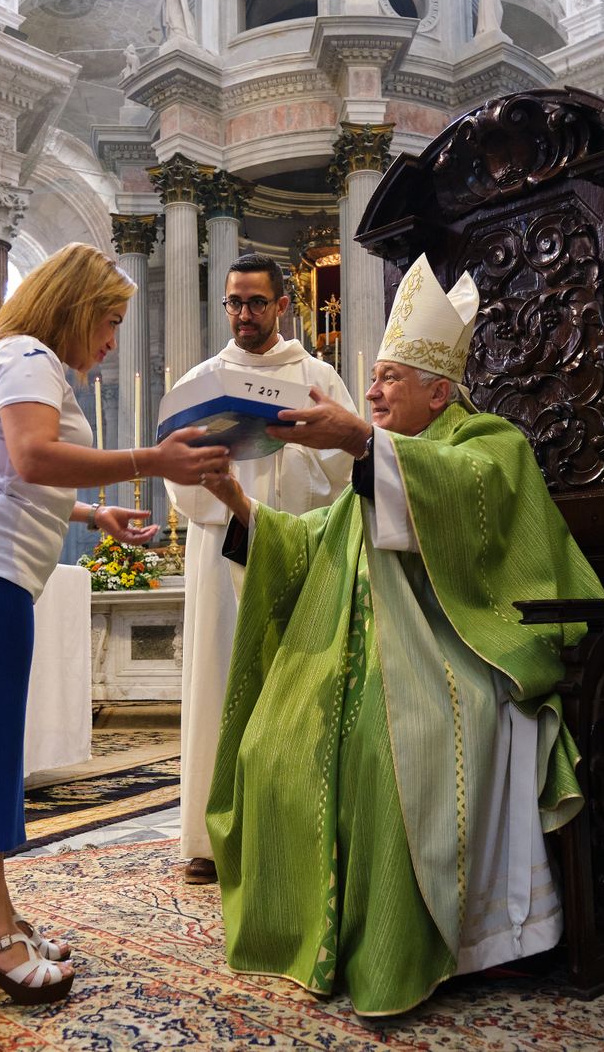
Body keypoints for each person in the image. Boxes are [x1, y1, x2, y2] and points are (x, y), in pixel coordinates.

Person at [200, 253, 604, 1016]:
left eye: (389, 377)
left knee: (391, 750)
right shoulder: (379, 461)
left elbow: (470, 505)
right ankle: (318, 937)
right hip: (364, 655)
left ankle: (446, 941)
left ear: (439, 391)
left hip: (465, 656)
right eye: (374, 378)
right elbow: (313, 539)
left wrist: (362, 442)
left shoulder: (488, 444)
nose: (375, 389)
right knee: (270, 745)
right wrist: (236, 501)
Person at [0, 242, 228, 1006]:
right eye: (108, 320)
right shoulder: (28, 356)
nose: (111, 338)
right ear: (73, 307)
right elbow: (30, 457)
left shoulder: (17, 357)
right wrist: (153, 460)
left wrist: (90, 511)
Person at [163, 252, 354, 886]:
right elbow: (176, 478)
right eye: (234, 303)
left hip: (295, 550)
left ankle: (294, 831)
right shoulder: (201, 382)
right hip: (221, 551)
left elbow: (349, 472)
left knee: (292, 685)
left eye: (255, 302)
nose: (243, 315)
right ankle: (207, 838)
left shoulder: (317, 376)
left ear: (281, 305)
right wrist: (212, 479)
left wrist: (291, 451)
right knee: (216, 679)